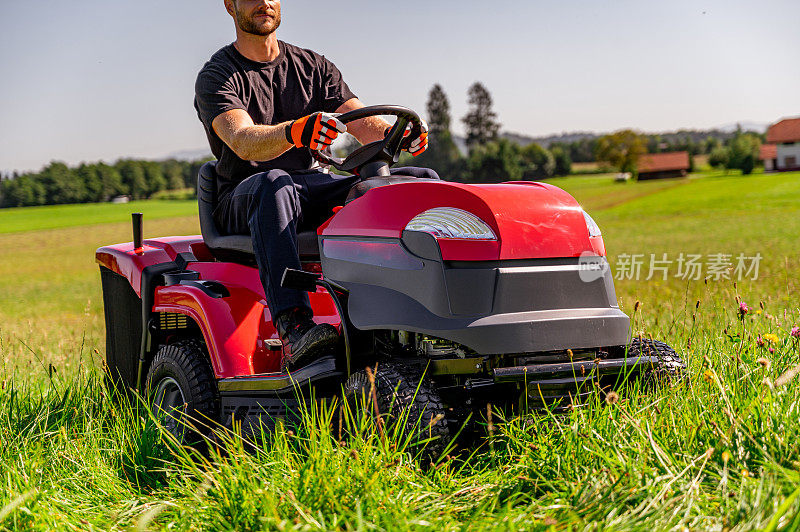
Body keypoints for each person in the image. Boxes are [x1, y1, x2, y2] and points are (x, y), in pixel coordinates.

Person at [194, 0, 439, 371]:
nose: (264, 2)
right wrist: (295, 131)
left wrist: (396, 135)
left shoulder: (313, 66)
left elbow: (361, 123)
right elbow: (243, 139)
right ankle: (295, 328)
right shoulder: (218, 75)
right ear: (230, 5)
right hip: (246, 193)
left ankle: (427, 310)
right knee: (275, 183)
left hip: (312, 185)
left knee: (416, 183)